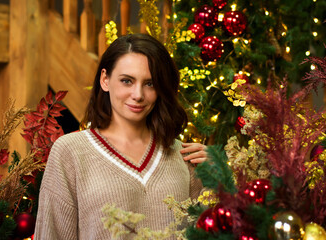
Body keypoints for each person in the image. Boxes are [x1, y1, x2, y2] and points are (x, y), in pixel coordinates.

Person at [34, 33, 208, 239]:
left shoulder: (183, 155)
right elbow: (51, 234)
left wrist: (220, 176)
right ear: (105, 80)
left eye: (150, 83)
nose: (138, 94)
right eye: (127, 81)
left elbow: (213, 231)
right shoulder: (70, 151)